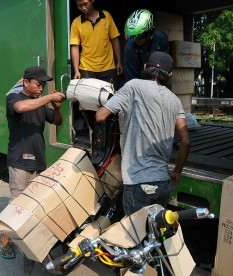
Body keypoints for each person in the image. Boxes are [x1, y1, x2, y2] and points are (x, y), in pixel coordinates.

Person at [95, 51, 190, 215]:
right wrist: (177, 171)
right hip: (162, 183)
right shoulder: (175, 100)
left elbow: (100, 116)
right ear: (170, 74)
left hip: (138, 182)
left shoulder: (134, 86)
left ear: (145, 67)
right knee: (155, 234)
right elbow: (186, 141)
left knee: (135, 236)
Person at [0, 66, 66, 260]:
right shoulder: (14, 98)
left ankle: (31, 241)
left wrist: (57, 108)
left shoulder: (40, 105)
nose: (41, 89)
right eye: (38, 84)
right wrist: (49, 98)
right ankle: (4, 240)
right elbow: (21, 108)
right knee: (17, 206)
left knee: (34, 205)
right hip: (20, 162)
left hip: (38, 161)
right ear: (26, 82)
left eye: (43, 85)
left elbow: (58, 122)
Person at [70, 0, 123, 87]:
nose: (83, 8)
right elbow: (75, 47)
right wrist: (76, 70)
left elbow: (114, 39)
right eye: (80, 6)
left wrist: (119, 61)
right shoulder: (76, 23)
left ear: (92, 1)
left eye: (85, 4)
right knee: (89, 99)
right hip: (86, 68)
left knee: (110, 98)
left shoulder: (106, 16)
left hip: (108, 67)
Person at [124, 9, 170, 80]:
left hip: (158, 78)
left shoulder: (161, 38)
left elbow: (165, 65)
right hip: (139, 80)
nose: (136, 40)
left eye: (139, 36)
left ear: (149, 32)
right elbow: (132, 77)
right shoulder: (129, 48)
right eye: (133, 36)